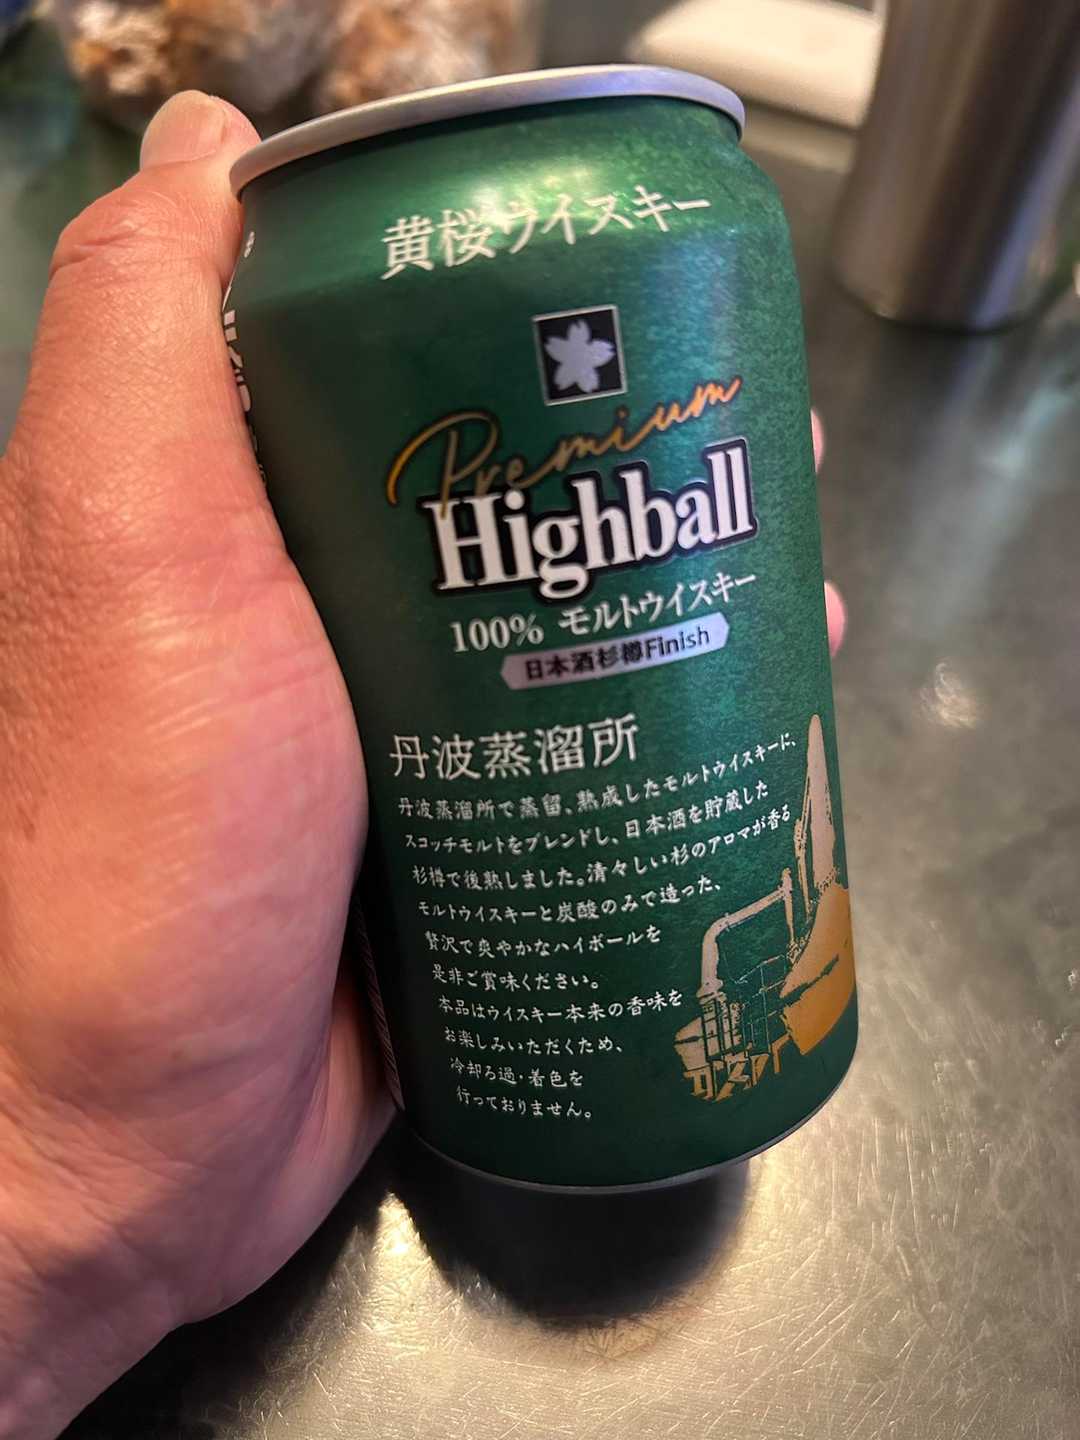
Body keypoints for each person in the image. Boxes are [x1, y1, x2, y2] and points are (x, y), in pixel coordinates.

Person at [0, 91, 845, 1438]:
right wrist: (60, 1189)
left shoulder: (691, 198)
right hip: (462, 998)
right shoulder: (339, 260)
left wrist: (60, 1214)